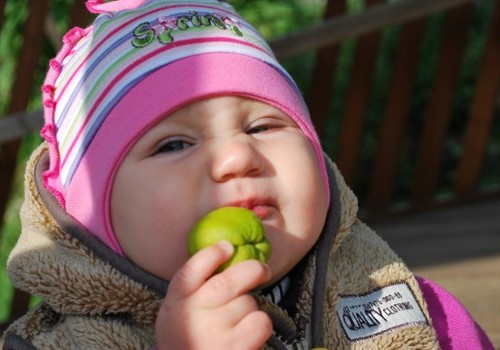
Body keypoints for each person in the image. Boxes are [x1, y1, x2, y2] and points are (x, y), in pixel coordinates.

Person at [1, 0, 494, 349]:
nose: (237, 157)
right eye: (173, 144)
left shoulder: (415, 309)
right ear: (90, 216)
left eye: (261, 125)